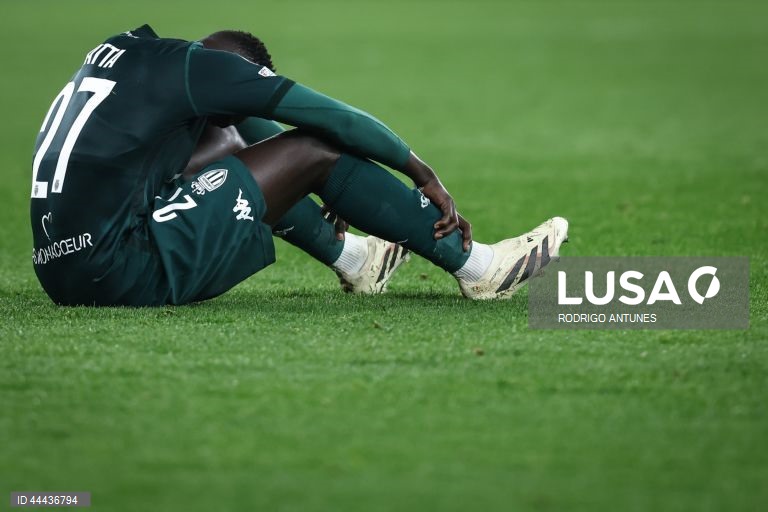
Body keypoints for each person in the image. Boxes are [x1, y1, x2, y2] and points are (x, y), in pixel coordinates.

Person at [30, 25, 568, 306]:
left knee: (237, 135)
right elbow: (335, 118)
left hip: (62, 270)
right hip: (120, 272)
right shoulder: (215, 74)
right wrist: (423, 173)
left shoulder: (132, 57)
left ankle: (356, 259)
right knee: (314, 151)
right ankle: (482, 269)